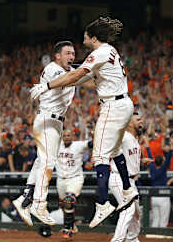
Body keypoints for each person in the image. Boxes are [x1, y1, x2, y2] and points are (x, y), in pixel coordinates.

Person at [30, 17, 137, 228]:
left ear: (94, 38)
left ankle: (102, 203)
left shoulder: (99, 53)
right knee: (114, 151)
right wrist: (63, 78)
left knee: (99, 156)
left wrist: (47, 86)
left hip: (113, 106)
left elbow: (77, 75)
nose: (83, 40)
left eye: (86, 36)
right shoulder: (109, 51)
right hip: (124, 103)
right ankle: (128, 189)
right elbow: (81, 77)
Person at [13, 41, 76, 227]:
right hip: (47, 119)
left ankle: (25, 197)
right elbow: (69, 79)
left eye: (73, 53)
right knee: (48, 161)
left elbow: (78, 76)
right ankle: (39, 204)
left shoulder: (69, 70)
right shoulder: (52, 68)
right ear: (57, 56)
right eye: (67, 53)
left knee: (42, 161)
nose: (71, 57)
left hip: (56, 122)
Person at [108, 113, 149, 242]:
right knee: (129, 209)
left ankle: (132, 239)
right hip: (119, 178)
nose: (141, 121)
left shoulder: (134, 139)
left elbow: (128, 158)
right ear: (129, 123)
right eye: (138, 119)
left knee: (136, 212)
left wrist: (142, 162)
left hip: (130, 180)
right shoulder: (124, 137)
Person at [55, 128, 92, 239]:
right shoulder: (56, 146)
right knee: (63, 205)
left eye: (69, 135)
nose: (67, 137)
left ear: (73, 136)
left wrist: (94, 135)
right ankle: (72, 224)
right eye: (65, 135)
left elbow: (91, 144)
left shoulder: (78, 145)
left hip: (75, 178)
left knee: (69, 200)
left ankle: (67, 229)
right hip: (61, 179)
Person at [147, 144, 173, 228]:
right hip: (163, 196)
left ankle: (154, 239)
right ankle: (161, 238)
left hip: (154, 197)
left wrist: (148, 147)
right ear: (162, 162)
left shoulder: (152, 168)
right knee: (163, 221)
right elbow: (168, 158)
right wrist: (171, 148)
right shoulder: (162, 168)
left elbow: (150, 158)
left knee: (155, 220)